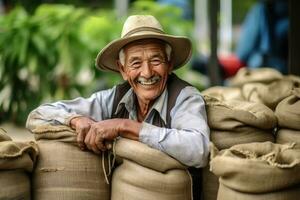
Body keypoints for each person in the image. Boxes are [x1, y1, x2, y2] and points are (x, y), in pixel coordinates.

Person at [26, 15, 210, 198]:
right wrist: (75, 120)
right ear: (122, 70)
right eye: (136, 63)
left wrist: (124, 126)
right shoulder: (114, 98)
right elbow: (38, 115)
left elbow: (199, 149)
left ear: (169, 65)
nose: (147, 73)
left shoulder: (185, 97)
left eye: (156, 61)